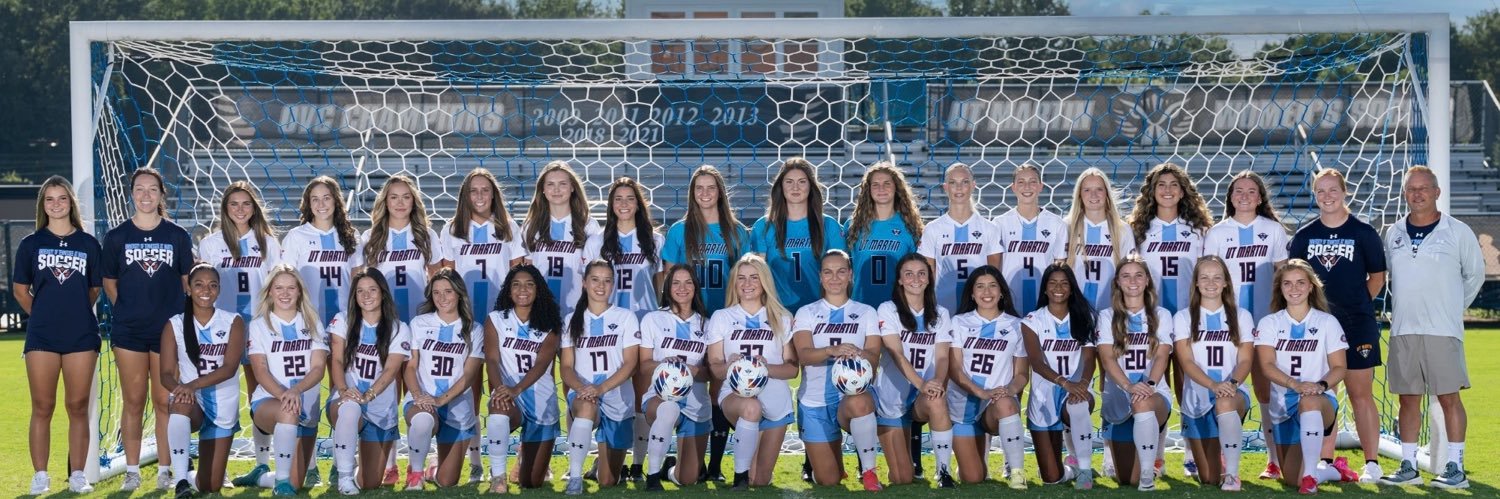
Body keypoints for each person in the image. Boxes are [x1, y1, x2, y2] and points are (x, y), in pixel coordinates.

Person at [1379, 165, 1484, 489]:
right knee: (1408, 399)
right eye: (1411, 189)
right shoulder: (1394, 232)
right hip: (1403, 329)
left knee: (1449, 398)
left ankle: (1456, 467)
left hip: (1442, 330)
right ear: (1404, 194)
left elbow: (1475, 275)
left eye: (1424, 188)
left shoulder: (1458, 231)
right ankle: (1409, 465)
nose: (1418, 194)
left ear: (1437, 192)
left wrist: (1451, 308)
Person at [1289, 169, 1388, 483]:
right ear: (1314, 195)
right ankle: (1325, 461)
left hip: (1357, 325)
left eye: (1333, 190)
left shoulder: (1364, 232)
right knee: (1324, 393)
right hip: (1317, 328)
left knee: (1361, 393)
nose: (1327, 196)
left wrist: (1354, 305)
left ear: (1345, 192)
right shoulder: (1304, 236)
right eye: (1321, 191)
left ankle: (1371, 463)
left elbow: (1377, 278)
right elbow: (1294, 279)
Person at [102, 167, 195, 491]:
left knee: (164, 401)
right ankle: (132, 471)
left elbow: (187, 282)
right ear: (131, 194)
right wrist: (129, 310)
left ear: (161, 194)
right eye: (139, 189)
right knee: (133, 401)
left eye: (152, 189)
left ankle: (165, 470)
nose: (145, 195)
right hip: (129, 332)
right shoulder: (116, 237)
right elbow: (109, 283)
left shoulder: (177, 236)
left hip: (167, 332)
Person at [14, 176, 104, 494]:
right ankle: (40, 475)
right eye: (49, 199)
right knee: (42, 406)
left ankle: (77, 474)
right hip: (42, 337)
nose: (56, 204)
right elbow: (20, 291)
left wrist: (73, 313)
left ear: (71, 203)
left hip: (81, 335)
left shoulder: (88, 244)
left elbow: (94, 289)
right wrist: (44, 315)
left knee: (78, 406)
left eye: (62, 198)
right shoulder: (30, 244)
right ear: (43, 205)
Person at [437, 167, 526, 482]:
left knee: (500, 387)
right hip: (466, 321)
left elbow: (518, 276)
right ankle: (475, 461)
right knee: (468, 388)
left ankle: (510, 460)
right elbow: (447, 278)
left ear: (494, 194)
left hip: (500, 320)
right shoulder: (451, 230)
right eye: (473, 191)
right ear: (464, 196)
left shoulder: (508, 227)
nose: (479, 196)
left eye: (485, 190)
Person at [661, 165, 749, 481]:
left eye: (711, 187)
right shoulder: (679, 231)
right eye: (699, 188)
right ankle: (686, 458)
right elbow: (671, 278)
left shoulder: (737, 232)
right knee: (687, 384)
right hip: (691, 319)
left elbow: (745, 278)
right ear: (692, 193)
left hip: (724, 318)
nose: (705, 193)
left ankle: (715, 467)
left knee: (720, 387)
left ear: (721, 193)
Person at [1126, 162, 1211, 479]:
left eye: (1174, 184)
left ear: (1184, 191)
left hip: (1189, 318)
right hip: (1153, 319)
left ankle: (1191, 454)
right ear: (1151, 191)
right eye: (1161, 184)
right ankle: (1157, 456)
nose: (1167, 190)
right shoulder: (1138, 230)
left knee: (1188, 384)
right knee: (1155, 382)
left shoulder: (1199, 229)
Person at [1205, 170, 1289, 479]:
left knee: (1267, 390)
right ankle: (1221, 457)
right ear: (1229, 197)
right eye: (1238, 190)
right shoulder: (1217, 233)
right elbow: (1207, 279)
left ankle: (1274, 459)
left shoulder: (1274, 230)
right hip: (1226, 324)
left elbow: (1283, 277)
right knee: (1224, 386)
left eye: (1251, 190)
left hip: (1266, 323)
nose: (1244, 195)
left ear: (1260, 197)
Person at [277, 175, 360, 480]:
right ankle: (309, 465)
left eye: (327, 198)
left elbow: (359, 282)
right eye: (315, 199)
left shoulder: (351, 236)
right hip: (308, 326)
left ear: (336, 201)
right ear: (307, 204)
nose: (321, 204)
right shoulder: (296, 237)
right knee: (308, 394)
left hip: (343, 326)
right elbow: (286, 282)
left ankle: (342, 461)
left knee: (343, 390)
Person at [584, 176, 664, 481]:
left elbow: (660, 286)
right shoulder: (597, 241)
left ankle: (637, 464)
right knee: (608, 392)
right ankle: (602, 458)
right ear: (610, 205)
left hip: (644, 323)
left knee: (642, 395)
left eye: (630, 198)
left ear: (639, 204)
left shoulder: (655, 240)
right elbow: (591, 284)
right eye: (618, 199)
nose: (624, 204)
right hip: (608, 326)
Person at [1254, 259, 1357, 493]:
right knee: (1293, 479)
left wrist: (1320, 385)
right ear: (1280, 288)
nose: (1294, 288)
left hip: (1320, 401)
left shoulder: (1327, 322)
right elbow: (1266, 365)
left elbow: (1340, 367)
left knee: (1309, 400)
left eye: (1301, 282)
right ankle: (1333, 471)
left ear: (1311, 286)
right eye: (1287, 283)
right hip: (1283, 405)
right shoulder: (1269, 323)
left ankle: (1311, 476)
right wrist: (1295, 384)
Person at [791, 250, 883, 490]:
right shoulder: (806, 312)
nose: (835, 278)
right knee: (828, 480)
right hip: (814, 402)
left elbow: (874, 359)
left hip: (849, 398)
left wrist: (858, 354)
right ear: (820, 277)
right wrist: (832, 350)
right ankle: (834, 463)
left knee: (860, 402)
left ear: (850, 275)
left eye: (841, 271)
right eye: (828, 272)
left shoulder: (866, 312)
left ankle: (869, 472)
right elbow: (804, 355)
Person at [706, 254, 797, 489]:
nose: (747, 284)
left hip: (775, 399)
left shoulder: (782, 318)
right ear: (734, 283)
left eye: (754, 277)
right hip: (735, 396)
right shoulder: (722, 317)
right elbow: (715, 368)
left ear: (764, 281)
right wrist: (729, 366)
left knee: (760, 480)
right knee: (751, 406)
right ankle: (739, 478)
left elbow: (792, 369)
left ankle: (750, 469)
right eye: (741, 278)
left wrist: (765, 368)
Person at [237, 264, 329, 495]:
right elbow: (260, 371)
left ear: (299, 291)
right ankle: (281, 483)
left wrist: (296, 390)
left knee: (296, 483)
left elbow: (318, 368)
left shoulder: (312, 321)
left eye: (291, 287)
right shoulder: (258, 325)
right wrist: (284, 395)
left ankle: (262, 477)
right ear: (270, 291)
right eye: (279, 287)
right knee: (288, 411)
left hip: (306, 408)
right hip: (270, 401)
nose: (285, 293)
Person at [160, 263, 246, 498]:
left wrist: (191, 385)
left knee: (210, 485)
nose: (205, 290)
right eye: (198, 284)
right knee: (179, 402)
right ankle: (180, 481)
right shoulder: (174, 324)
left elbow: (229, 368)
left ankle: (191, 476)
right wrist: (182, 389)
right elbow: (165, 374)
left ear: (219, 290)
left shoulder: (233, 321)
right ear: (188, 288)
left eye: (212, 285)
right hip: (193, 402)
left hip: (223, 405)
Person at [559, 260, 642, 495]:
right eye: (595, 279)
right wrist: (583, 389)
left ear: (613, 285)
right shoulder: (571, 320)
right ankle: (575, 477)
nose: (601, 286)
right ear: (584, 283)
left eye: (607, 281)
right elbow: (566, 367)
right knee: (586, 406)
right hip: (584, 394)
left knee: (608, 481)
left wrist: (601, 388)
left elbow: (631, 364)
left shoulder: (626, 317)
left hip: (617, 398)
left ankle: (600, 465)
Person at [1172, 255, 1254, 490]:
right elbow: (1186, 362)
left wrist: (1231, 384)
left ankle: (1232, 475)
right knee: (1208, 478)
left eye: (1217, 278)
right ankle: (1221, 452)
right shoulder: (1183, 317)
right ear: (1196, 283)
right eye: (1205, 277)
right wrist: (1213, 385)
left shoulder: (1242, 315)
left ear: (1226, 282)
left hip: (1233, 392)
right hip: (1197, 398)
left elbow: (1245, 359)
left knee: (1225, 403)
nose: (1211, 283)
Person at [1094, 256, 1176, 490]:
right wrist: (1129, 386)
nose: (1133, 281)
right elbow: (1107, 359)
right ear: (1118, 282)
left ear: (1147, 280)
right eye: (1126, 276)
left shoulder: (1162, 315)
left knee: (1142, 403)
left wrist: (1148, 385)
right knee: (1126, 480)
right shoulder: (1106, 316)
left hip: (1152, 393)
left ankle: (1148, 476)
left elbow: (1162, 356)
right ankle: (1139, 468)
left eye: (1139, 275)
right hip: (1121, 395)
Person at [325, 269, 410, 494]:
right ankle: (343, 476)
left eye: (372, 289)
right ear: (354, 295)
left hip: (379, 406)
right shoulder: (343, 320)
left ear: (383, 293)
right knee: (350, 407)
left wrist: (368, 395)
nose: (366, 295)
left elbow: (391, 370)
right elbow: (336, 360)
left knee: (369, 483)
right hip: (346, 398)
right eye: (360, 291)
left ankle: (349, 463)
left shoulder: (399, 328)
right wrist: (343, 390)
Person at [873, 254, 955, 486]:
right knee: (902, 478)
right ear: (900, 280)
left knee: (937, 400)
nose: (915, 279)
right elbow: (896, 354)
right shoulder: (887, 309)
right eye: (908, 274)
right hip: (893, 395)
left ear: (929, 278)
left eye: (921, 273)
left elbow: (942, 356)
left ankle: (943, 471)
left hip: (924, 394)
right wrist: (922, 384)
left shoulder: (941, 313)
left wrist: (937, 383)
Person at [945, 265, 1029, 488]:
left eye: (993, 286)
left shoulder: (1016, 325)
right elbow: (954, 369)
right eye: (980, 287)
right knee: (973, 478)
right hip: (964, 406)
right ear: (972, 294)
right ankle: (974, 457)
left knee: (1006, 404)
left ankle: (1017, 472)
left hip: (995, 405)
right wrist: (981, 392)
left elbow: (1022, 374)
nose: (987, 292)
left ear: (1001, 292)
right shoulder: (959, 322)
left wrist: (1008, 391)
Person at [402, 269, 485, 489]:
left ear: (459, 293)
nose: (442, 297)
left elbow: (469, 375)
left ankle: (433, 467)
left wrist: (440, 400)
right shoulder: (419, 323)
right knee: (423, 419)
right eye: (436, 292)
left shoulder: (474, 329)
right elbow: (410, 366)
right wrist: (419, 395)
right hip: (422, 399)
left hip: (456, 405)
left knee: (447, 482)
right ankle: (415, 475)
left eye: (448, 291)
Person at [483, 264, 564, 492]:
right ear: (509, 291)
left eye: (529, 285)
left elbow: (541, 365)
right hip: (510, 396)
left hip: (541, 401)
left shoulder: (550, 324)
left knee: (531, 482)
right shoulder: (496, 319)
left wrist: (516, 389)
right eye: (516, 285)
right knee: (498, 409)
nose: (523, 290)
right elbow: (491, 359)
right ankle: (498, 477)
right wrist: (500, 389)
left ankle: (523, 455)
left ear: (538, 290)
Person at [1020, 262, 1098, 488]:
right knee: (1051, 479)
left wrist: (1082, 384)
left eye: (1064, 283)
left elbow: (1089, 359)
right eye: (1053, 283)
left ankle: (1085, 470)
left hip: (1076, 389)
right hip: (1043, 396)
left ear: (1072, 288)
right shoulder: (1032, 320)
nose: (1058, 288)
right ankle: (1071, 470)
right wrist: (1065, 383)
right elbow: (1037, 363)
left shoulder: (1084, 317)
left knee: (1078, 404)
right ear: (1045, 288)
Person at [638, 264, 713, 490]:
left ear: (695, 287)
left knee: (688, 478)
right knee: (669, 407)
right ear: (667, 288)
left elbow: (710, 373)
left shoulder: (706, 324)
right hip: (659, 397)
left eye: (688, 282)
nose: (682, 288)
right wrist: (665, 365)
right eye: (676, 283)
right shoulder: (653, 319)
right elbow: (644, 365)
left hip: (696, 402)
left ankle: (668, 469)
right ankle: (652, 477)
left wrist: (689, 370)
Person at [751, 157, 846, 313]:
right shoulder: (764, 226)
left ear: (811, 186)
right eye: (789, 182)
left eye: (802, 182)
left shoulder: (829, 226)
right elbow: (756, 276)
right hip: (778, 313)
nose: (795, 187)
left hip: (820, 312)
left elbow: (842, 274)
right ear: (781, 186)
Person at [353, 174, 445, 323]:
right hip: (382, 316)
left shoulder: (427, 235)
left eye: (406, 197)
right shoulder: (370, 237)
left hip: (420, 314)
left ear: (413, 201)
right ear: (385, 201)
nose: (400, 203)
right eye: (394, 197)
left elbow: (438, 279)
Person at [522, 160, 601, 318]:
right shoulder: (531, 227)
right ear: (543, 189)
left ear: (572, 187)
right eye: (550, 184)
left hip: (577, 310)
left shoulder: (588, 226)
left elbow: (595, 274)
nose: (556, 189)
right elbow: (528, 272)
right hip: (540, 310)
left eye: (563, 184)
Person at [920, 162, 1002, 313]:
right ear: (945, 187)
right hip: (943, 307)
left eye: (964, 182)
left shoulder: (989, 228)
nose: (958, 188)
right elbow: (927, 276)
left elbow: (994, 276)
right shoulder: (933, 229)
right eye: (953, 182)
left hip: (978, 308)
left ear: (973, 186)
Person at [845, 162, 922, 306]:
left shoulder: (910, 226)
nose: (881, 189)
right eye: (875, 184)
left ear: (896, 188)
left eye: (887, 183)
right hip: (860, 306)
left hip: (898, 307)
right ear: (868, 190)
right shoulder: (853, 225)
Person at [994, 164, 1067, 313]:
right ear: (1013, 187)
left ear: (1041, 186)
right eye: (1021, 182)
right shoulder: (999, 223)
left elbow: (1060, 268)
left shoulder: (1056, 223)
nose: (1027, 187)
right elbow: (994, 269)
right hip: (1009, 302)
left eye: (1032, 181)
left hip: (1044, 302)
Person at [1064, 167, 1135, 309]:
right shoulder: (1066, 227)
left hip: (1111, 310)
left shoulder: (1122, 230)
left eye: (1099, 189)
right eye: (1087, 190)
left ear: (1107, 193)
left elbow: (1129, 273)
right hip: (1074, 309)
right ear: (1079, 195)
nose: (1093, 195)